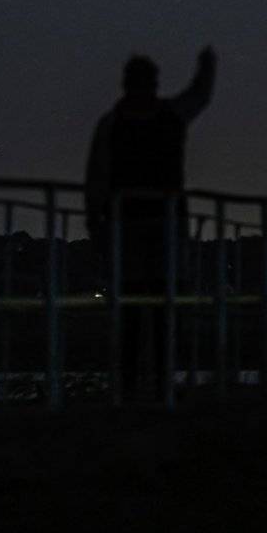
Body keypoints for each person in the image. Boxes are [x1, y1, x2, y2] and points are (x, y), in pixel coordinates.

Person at [85, 45, 217, 399]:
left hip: (131, 225)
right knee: (154, 310)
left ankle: (132, 388)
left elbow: (96, 176)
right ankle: (154, 387)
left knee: (137, 310)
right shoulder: (167, 116)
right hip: (156, 225)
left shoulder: (112, 124)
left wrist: (94, 221)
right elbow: (199, 96)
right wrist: (207, 67)